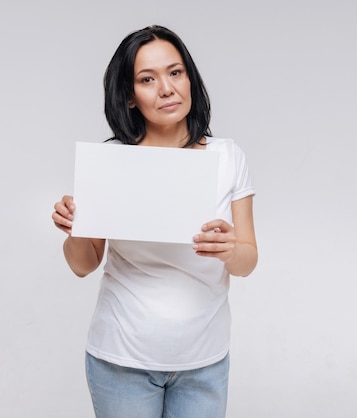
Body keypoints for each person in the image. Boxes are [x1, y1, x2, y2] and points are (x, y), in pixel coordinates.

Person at [51, 25, 257, 418]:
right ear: (129, 96)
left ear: (190, 78)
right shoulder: (111, 162)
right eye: (147, 79)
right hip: (121, 360)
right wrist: (76, 227)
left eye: (175, 72)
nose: (166, 88)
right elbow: (83, 264)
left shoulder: (228, 156)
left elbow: (248, 259)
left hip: (204, 361)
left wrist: (230, 250)